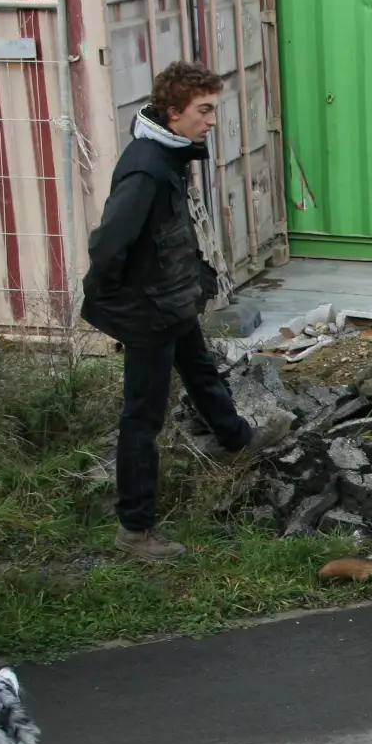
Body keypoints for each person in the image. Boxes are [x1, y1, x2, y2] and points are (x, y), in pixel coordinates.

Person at [82, 61, 288, 563]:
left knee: (200, 370)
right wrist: (113, 298)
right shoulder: (146, 168)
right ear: (173, 112)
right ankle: (135, 528)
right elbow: (109, 244)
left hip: (171, 301)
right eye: (204, 110)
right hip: (150, 312)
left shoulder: (168, 156)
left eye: (213, 109)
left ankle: (236, 439)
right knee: (142, 417)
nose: (212, 120)